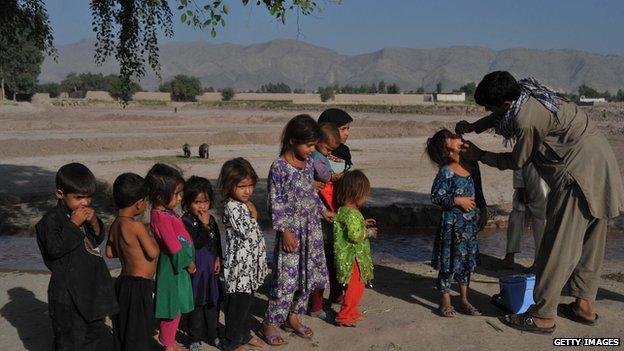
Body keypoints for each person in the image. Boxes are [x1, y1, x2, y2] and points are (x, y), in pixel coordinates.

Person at [458, 71, 624, 334]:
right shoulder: (527, 92)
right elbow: (500, 115)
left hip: (577, 174)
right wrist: (475, 126)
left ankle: (543, 315)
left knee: (557, 245)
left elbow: (517, 161)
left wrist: (480, 154)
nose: (488, 111)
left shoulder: (526, 121)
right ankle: (584, 306)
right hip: (601, 164)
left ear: (505, 104)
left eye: (489, 107)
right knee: (591, 241)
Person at [260, 114, 334, 345]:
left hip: (311, 230)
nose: (312, 150)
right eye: (309, 145)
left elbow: (310, 193)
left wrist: (323, 211)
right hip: (292, 232)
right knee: (286, 280)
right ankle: (270, 322)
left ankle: (292, 317)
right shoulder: (279, 167)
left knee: (307, 278)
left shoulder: (309, 163)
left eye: (314, 145)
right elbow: (276, 202)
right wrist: (285, 232)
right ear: (292, 141)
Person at [35, 162, 117, 350]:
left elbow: (95, 242)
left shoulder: (84, 215)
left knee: (93, 333)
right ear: (60, 194)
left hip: (92, 289)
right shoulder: (51, 221)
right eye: (79, 197)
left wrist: (94, 221)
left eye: (88, 197)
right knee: (69, 339)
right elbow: (53, 250)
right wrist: (73, 224)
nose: (85, 203)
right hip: (67, 295)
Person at [426, 129, 487, 318]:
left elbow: (478, 189)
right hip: (452, 225)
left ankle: (464, 299)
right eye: (452, 138)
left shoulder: (472, 165)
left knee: (466, 263)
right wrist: (457, 200)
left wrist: (483, 209)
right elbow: (436, 196)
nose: (458, 138)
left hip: (468, 226)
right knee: (448, 263)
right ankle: (445, 300)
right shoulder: (446, 172)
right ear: (446, 149)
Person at [219, 158, 268, 351]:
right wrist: (254, 216)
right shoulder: (232, 207)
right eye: (242, 186)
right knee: (236, 307)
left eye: (250, 186)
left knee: (247, 305)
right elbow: (246, 230)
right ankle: (231, 342)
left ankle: (245, 335)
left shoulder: (242, 205)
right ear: (230, 186)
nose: (247, 191)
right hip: (239, 269)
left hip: (248, 268)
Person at [106, 172, 159, 351]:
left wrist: (127, 249)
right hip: (139, 285)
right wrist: (152, 237)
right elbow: (152, 252)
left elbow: (110, 252)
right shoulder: (136, 226)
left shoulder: (115, 224)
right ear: (139, 203)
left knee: (124, 327)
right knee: (139, 330)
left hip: (123, 283)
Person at [146, 163, 196, 351]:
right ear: (160, 195)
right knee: (171, 307)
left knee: (177, 304)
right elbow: (173, 247)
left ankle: (171, 340)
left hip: (178, 267)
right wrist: (188, 262)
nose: (180, 197)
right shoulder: (160, 217)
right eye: (176, 194)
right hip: (172, 267)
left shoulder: (166, 213)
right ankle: (168, 344)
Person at [181, 176, 223, 350]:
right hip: (196, 272)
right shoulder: (186, 221)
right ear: (188, 203)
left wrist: (219, 258)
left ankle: (213, 334)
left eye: (205, 202)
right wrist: (204, 226)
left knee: (212, 303)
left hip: (210, 271)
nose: (202, 206)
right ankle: (194, 337)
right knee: (196, 305)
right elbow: (197, 242)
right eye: (197, 202)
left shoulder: (211, 219)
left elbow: (218, 241)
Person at [332, 170, 378, 327]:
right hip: (353, 258)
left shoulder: (343, 210)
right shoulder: (351, 213)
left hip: (346, 257)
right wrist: (368, 232)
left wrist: (362, 223)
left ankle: (352, 311)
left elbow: (348, 228)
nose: (365, 198)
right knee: (356, 287)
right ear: (357, 194)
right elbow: (354, 235)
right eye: (365, 195)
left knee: (352, 286)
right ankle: (345, 315)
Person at [308, 122, 344, 319]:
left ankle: (322, 301)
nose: (329, 153)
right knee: (320, 263)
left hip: (322, 213)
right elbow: (322, 174)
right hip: (319, 216)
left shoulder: (319, 156)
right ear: (318, 142)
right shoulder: (316, 157)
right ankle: (316, 306)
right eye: (327, 149)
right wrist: (333, 176)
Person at [504, 163, 548, 270]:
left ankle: (538, 261)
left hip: (544, 191)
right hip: (526, 184)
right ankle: (509, 257)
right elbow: (518, 162)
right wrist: (520, 188)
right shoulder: (525, 146)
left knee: (541, 227)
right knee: (515, 220)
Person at [318, 108, 355, 173]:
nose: (347, 133)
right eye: (343, 129)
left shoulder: (344, 151)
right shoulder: (316, 153)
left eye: (347, 128)